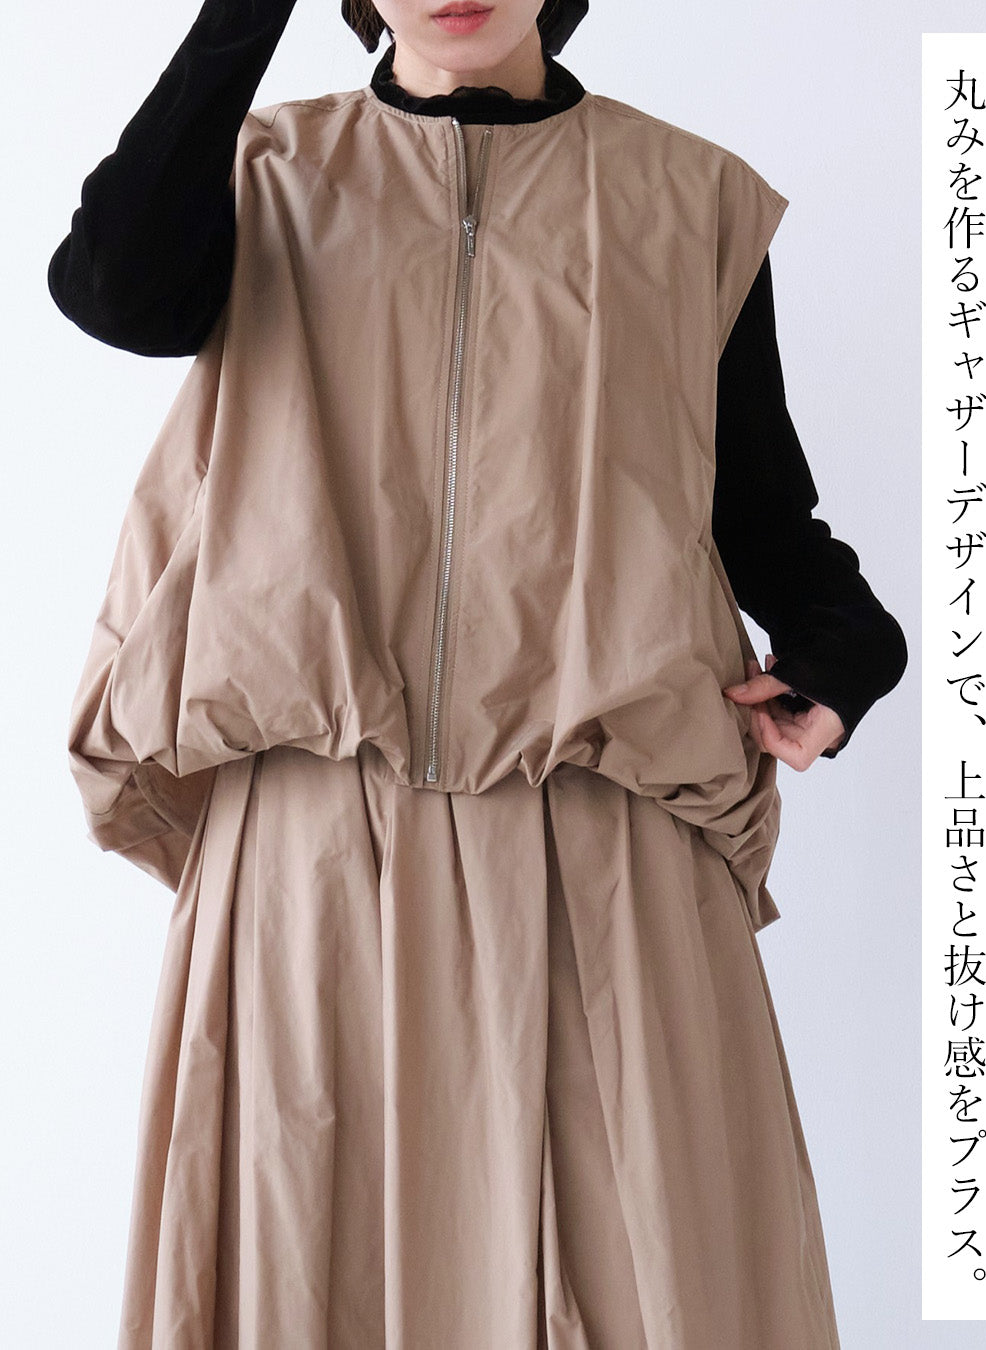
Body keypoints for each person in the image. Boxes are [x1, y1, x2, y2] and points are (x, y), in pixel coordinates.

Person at [50, 1, 906, 1344]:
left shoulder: (689, 200)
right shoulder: (257, 174)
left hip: (607, 850)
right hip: (317, 854)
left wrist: (845, 655)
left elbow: (759, 514)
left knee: (649, 1290)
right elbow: (115, 292)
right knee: (311, 1280)